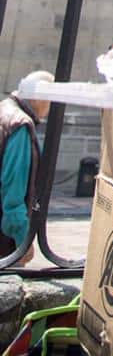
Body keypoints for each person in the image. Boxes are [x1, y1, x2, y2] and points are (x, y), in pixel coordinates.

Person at [0, 72, 54, 264]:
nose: (50, 108)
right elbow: (13, 189)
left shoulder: (4, 108)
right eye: (51, 101)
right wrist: (23, 241)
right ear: (39, 98)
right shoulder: (20, 125)